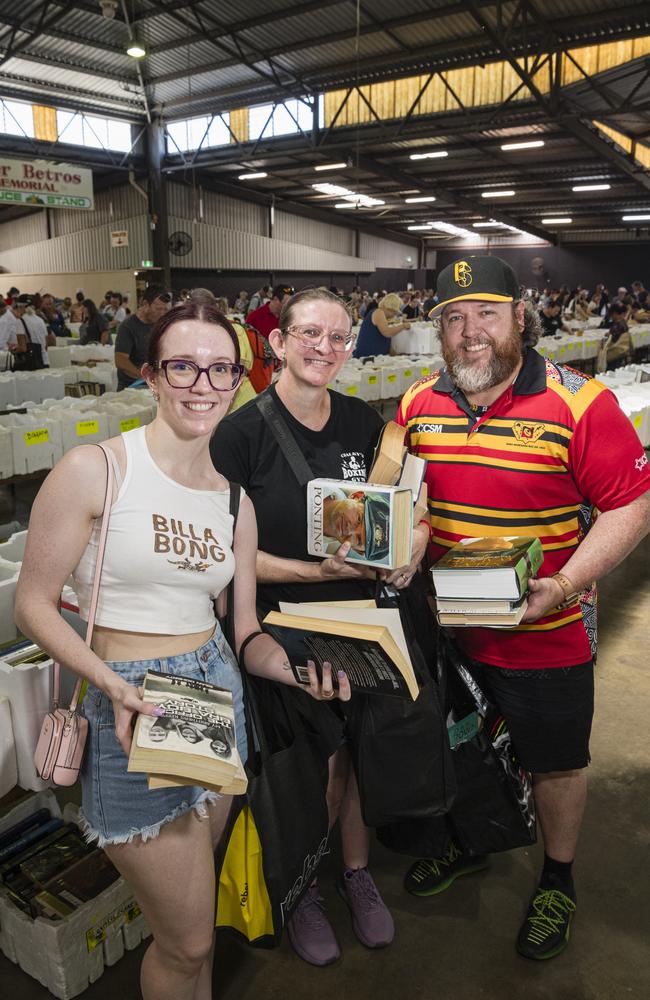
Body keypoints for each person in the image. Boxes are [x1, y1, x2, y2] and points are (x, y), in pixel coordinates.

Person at [15, 299, 347, 1000]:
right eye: (183, 367)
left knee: (195, 941)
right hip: (130, 702)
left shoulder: (234, 503)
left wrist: (296, 671)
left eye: (220, 369)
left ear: (238, 380)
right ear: (152, 377)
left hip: (211, 695)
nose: (203, 384)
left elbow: (246, 629)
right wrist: (110, 681)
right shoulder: (96, 469)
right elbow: (34, 604)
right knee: (188, 937)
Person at [397, 254, 650, 961]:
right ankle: (472, 840)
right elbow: (413, 499)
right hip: (450, 630)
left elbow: (631, 505)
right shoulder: (420, 404)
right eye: (453, 318)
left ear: (519, 317)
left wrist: (565, 586)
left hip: (547, 630)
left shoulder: (579, 401)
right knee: (462, 747)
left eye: (485, 313)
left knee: (557, 763)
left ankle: (558, 880)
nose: (469, 331)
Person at [212, 287, 431, 967]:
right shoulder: (240, 436)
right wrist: (308, 574)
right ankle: (302, 885)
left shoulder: (366, 424)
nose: (325, 349)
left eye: (339, 337)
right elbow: (225, 558)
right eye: (309, 333)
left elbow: (407, 508)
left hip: (363, 617)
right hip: (281, 628)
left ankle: (356, 872)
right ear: (276, 342)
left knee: (364, 749)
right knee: (312, 761)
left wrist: (410, 547)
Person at [114, 284, 172, 390]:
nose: (162, 313)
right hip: (134, 387)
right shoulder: (128, 327)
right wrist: (143, 376)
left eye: (165, 310)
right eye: (158, 309)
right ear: (145, 304)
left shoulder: (161, 325)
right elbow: (120, 360)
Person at [353, 292, 411, 357]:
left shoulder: (380, 314)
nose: (394, 315)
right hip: (368, 356)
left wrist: (396, 355)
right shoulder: (379, 312)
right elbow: (387, 333)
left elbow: (385, 338)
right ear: (391, 308)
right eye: (395, 312)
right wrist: (403, 326)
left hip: (375, 355)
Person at [15, 295, 54, 367]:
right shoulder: (41, 320)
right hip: (45, 360)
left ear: (21, 307)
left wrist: (13, 350)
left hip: (31, 362)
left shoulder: (20, 321)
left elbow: (23, 348)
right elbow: (45, 344)